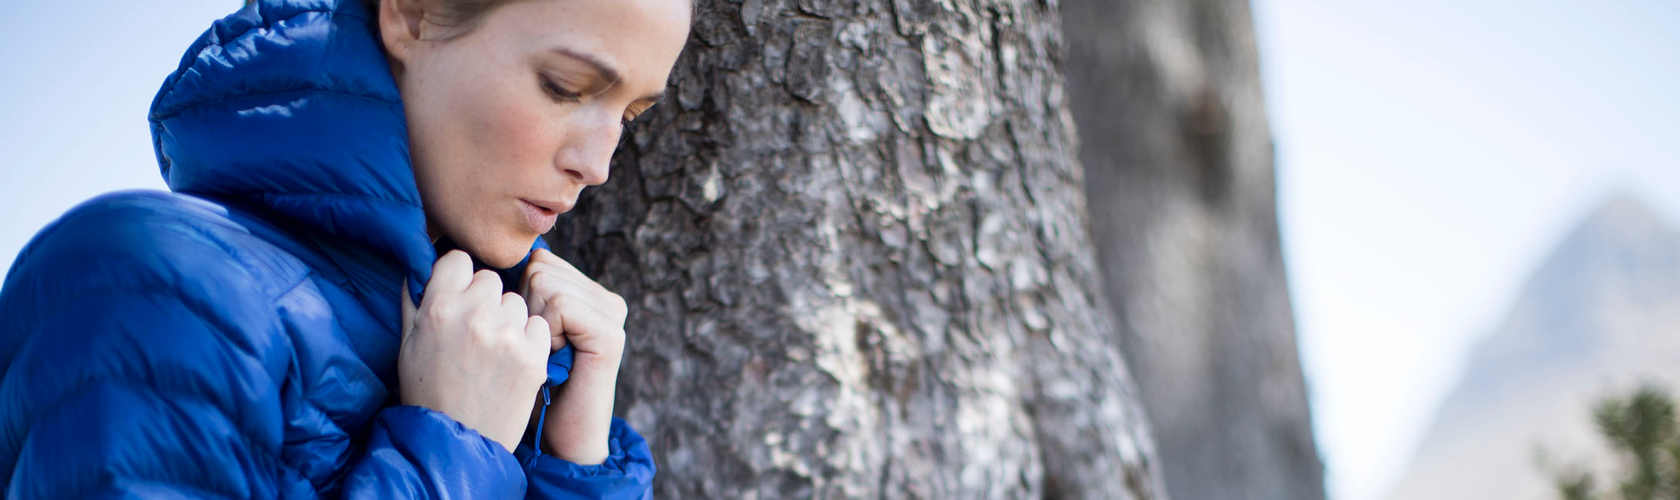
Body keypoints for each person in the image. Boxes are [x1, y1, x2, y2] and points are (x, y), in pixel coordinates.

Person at [0, 0, 690, 497]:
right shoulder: (148, 284)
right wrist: (450, 453)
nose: (599, 165)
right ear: (413, 15)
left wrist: (571, 465)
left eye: (628, 116)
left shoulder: (494, 348)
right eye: (564, 87)